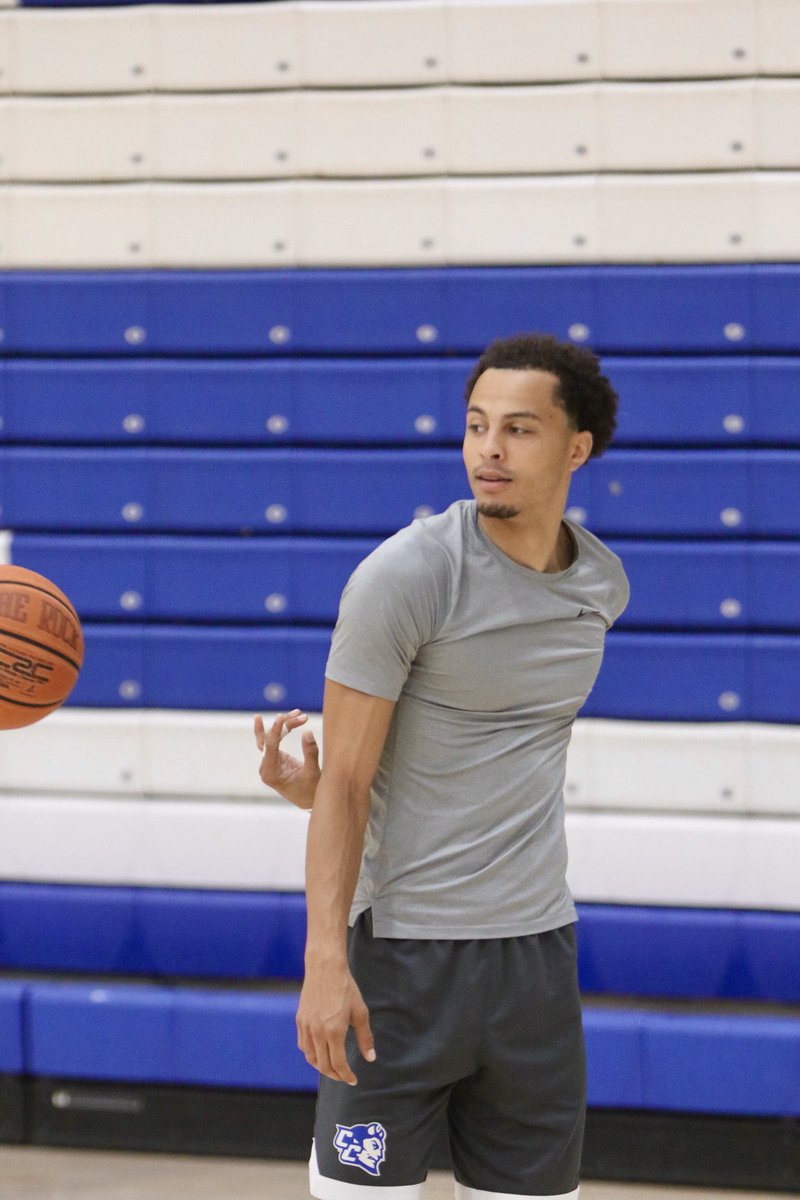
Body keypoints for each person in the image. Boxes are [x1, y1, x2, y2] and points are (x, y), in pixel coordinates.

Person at [254, 332, 629, 1200]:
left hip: (535, 959)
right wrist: (323, 965)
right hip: (401, 960)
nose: (489, 450)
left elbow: (476, 759)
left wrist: (333, 794)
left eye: (520, 430)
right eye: (475, 426)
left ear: (578, 447)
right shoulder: (406, 575)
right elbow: (347, 781)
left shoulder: (600, 588)